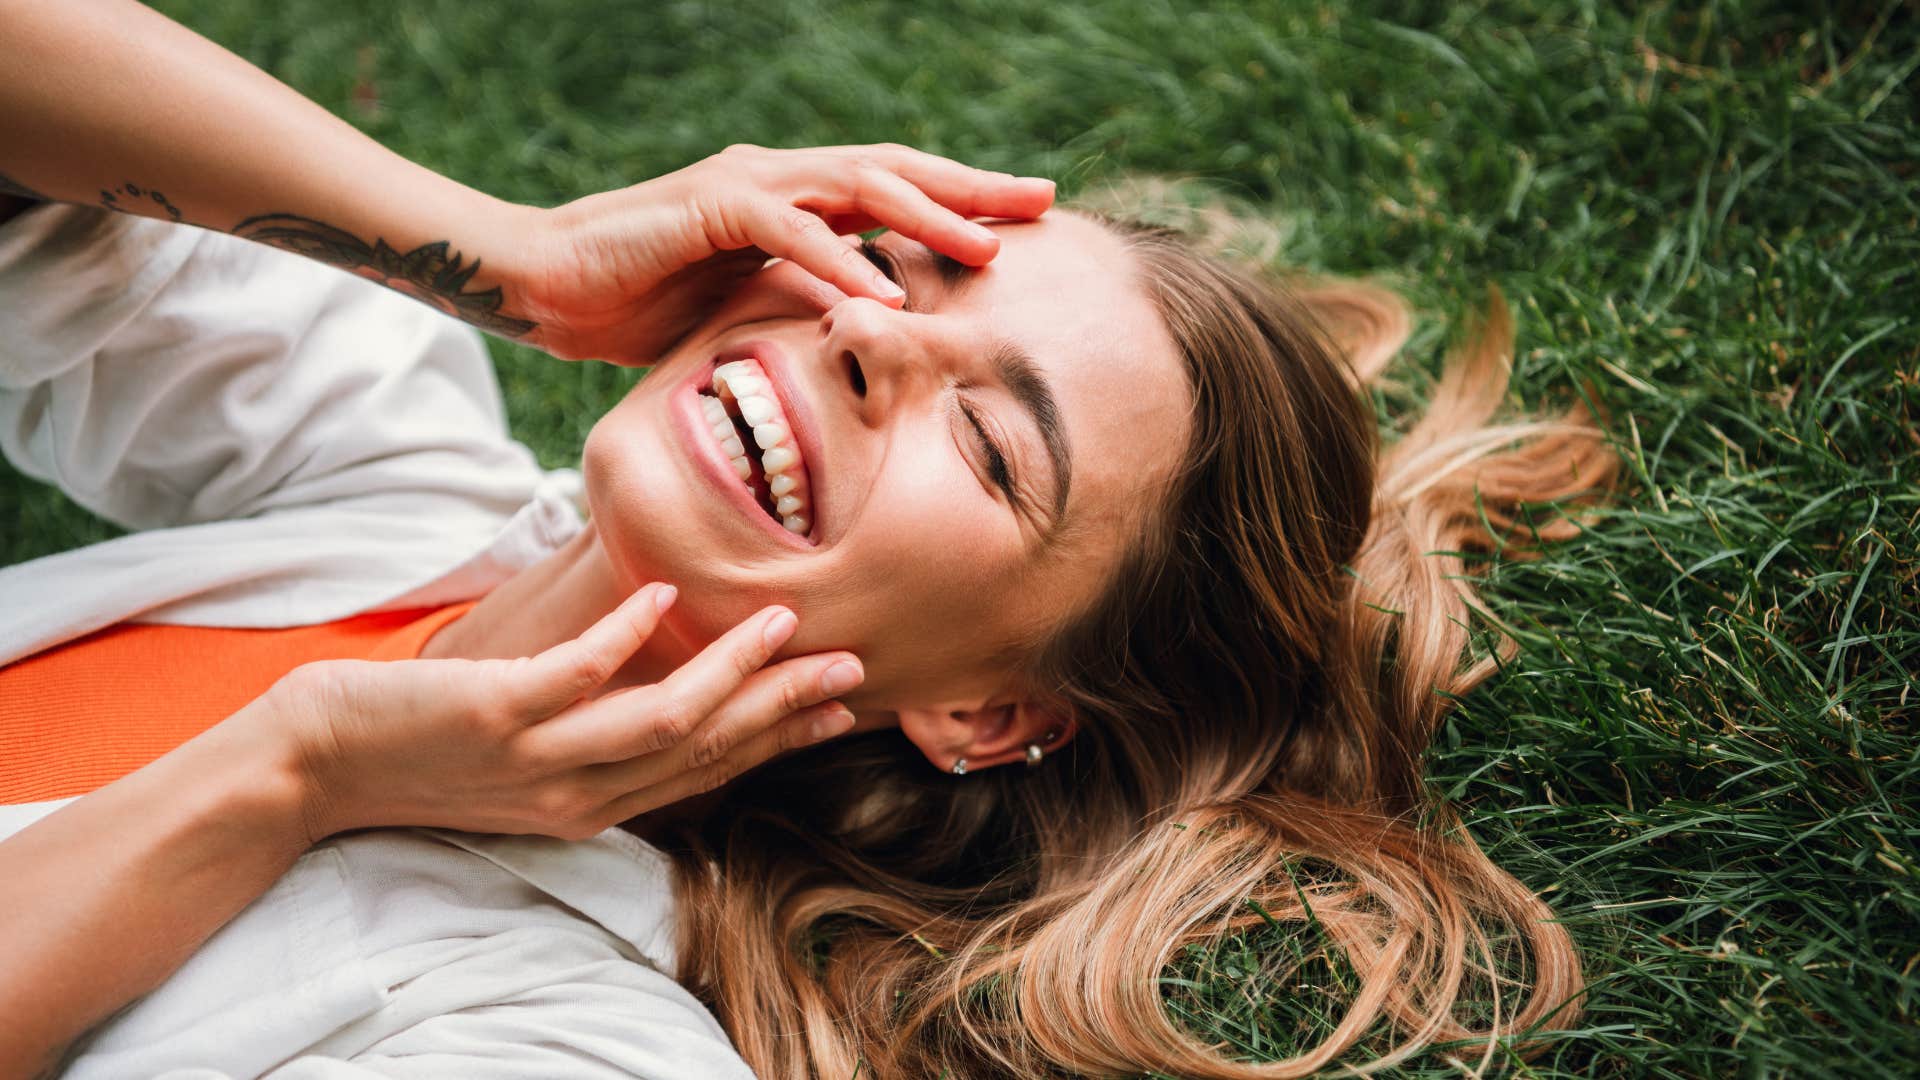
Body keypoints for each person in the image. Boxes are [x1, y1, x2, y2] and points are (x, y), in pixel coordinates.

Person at [0, 2, 1617, 1077]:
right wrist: (513, 256)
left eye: (990, 447)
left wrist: (299, 772)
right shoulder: (395, 479)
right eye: (892, 274)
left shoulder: (548, 1032)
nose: (870, 343)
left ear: (987, 712)